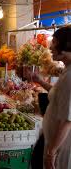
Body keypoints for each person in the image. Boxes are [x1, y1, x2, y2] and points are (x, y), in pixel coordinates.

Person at [30, 26, 71, 169]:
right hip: (51, 138)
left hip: (61, 146)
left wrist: (51, 152)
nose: (50, 47)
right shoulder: (67, 70)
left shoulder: (70, 76)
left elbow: (67, 120)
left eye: (54, 42)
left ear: (66, 45)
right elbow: (58, 94)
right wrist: (40, 81)